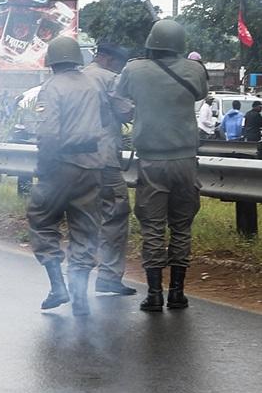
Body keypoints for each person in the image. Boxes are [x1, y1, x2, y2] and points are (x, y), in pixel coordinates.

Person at [118, 19, 209, 312]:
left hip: (151, 161)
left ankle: (155, 294)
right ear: (180, 44)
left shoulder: (133, 69)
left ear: (151, 43)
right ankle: (178, 293)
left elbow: (121, 100)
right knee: (181, 226)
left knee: (153, 227)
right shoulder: (194, 69)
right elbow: (201, 94)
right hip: (185, 160)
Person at [28, 37, 110, 317]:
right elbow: (107, 119)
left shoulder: (51, 87)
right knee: (85, 229)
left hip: (61, 165)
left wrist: (44, 166)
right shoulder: (91, 83)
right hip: (92, 166)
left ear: (51, 61)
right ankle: (80, 298)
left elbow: (48, 133)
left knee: (41, 218)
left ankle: (57, 286)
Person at [81, 43, 137, 297]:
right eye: (118, 62)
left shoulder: (75, 76)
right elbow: (125, 112)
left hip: (72, 161)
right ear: (108, 59)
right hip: (102, 158)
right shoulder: (110, 79)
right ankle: (108, 275)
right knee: (116, 212)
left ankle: (77, 277)